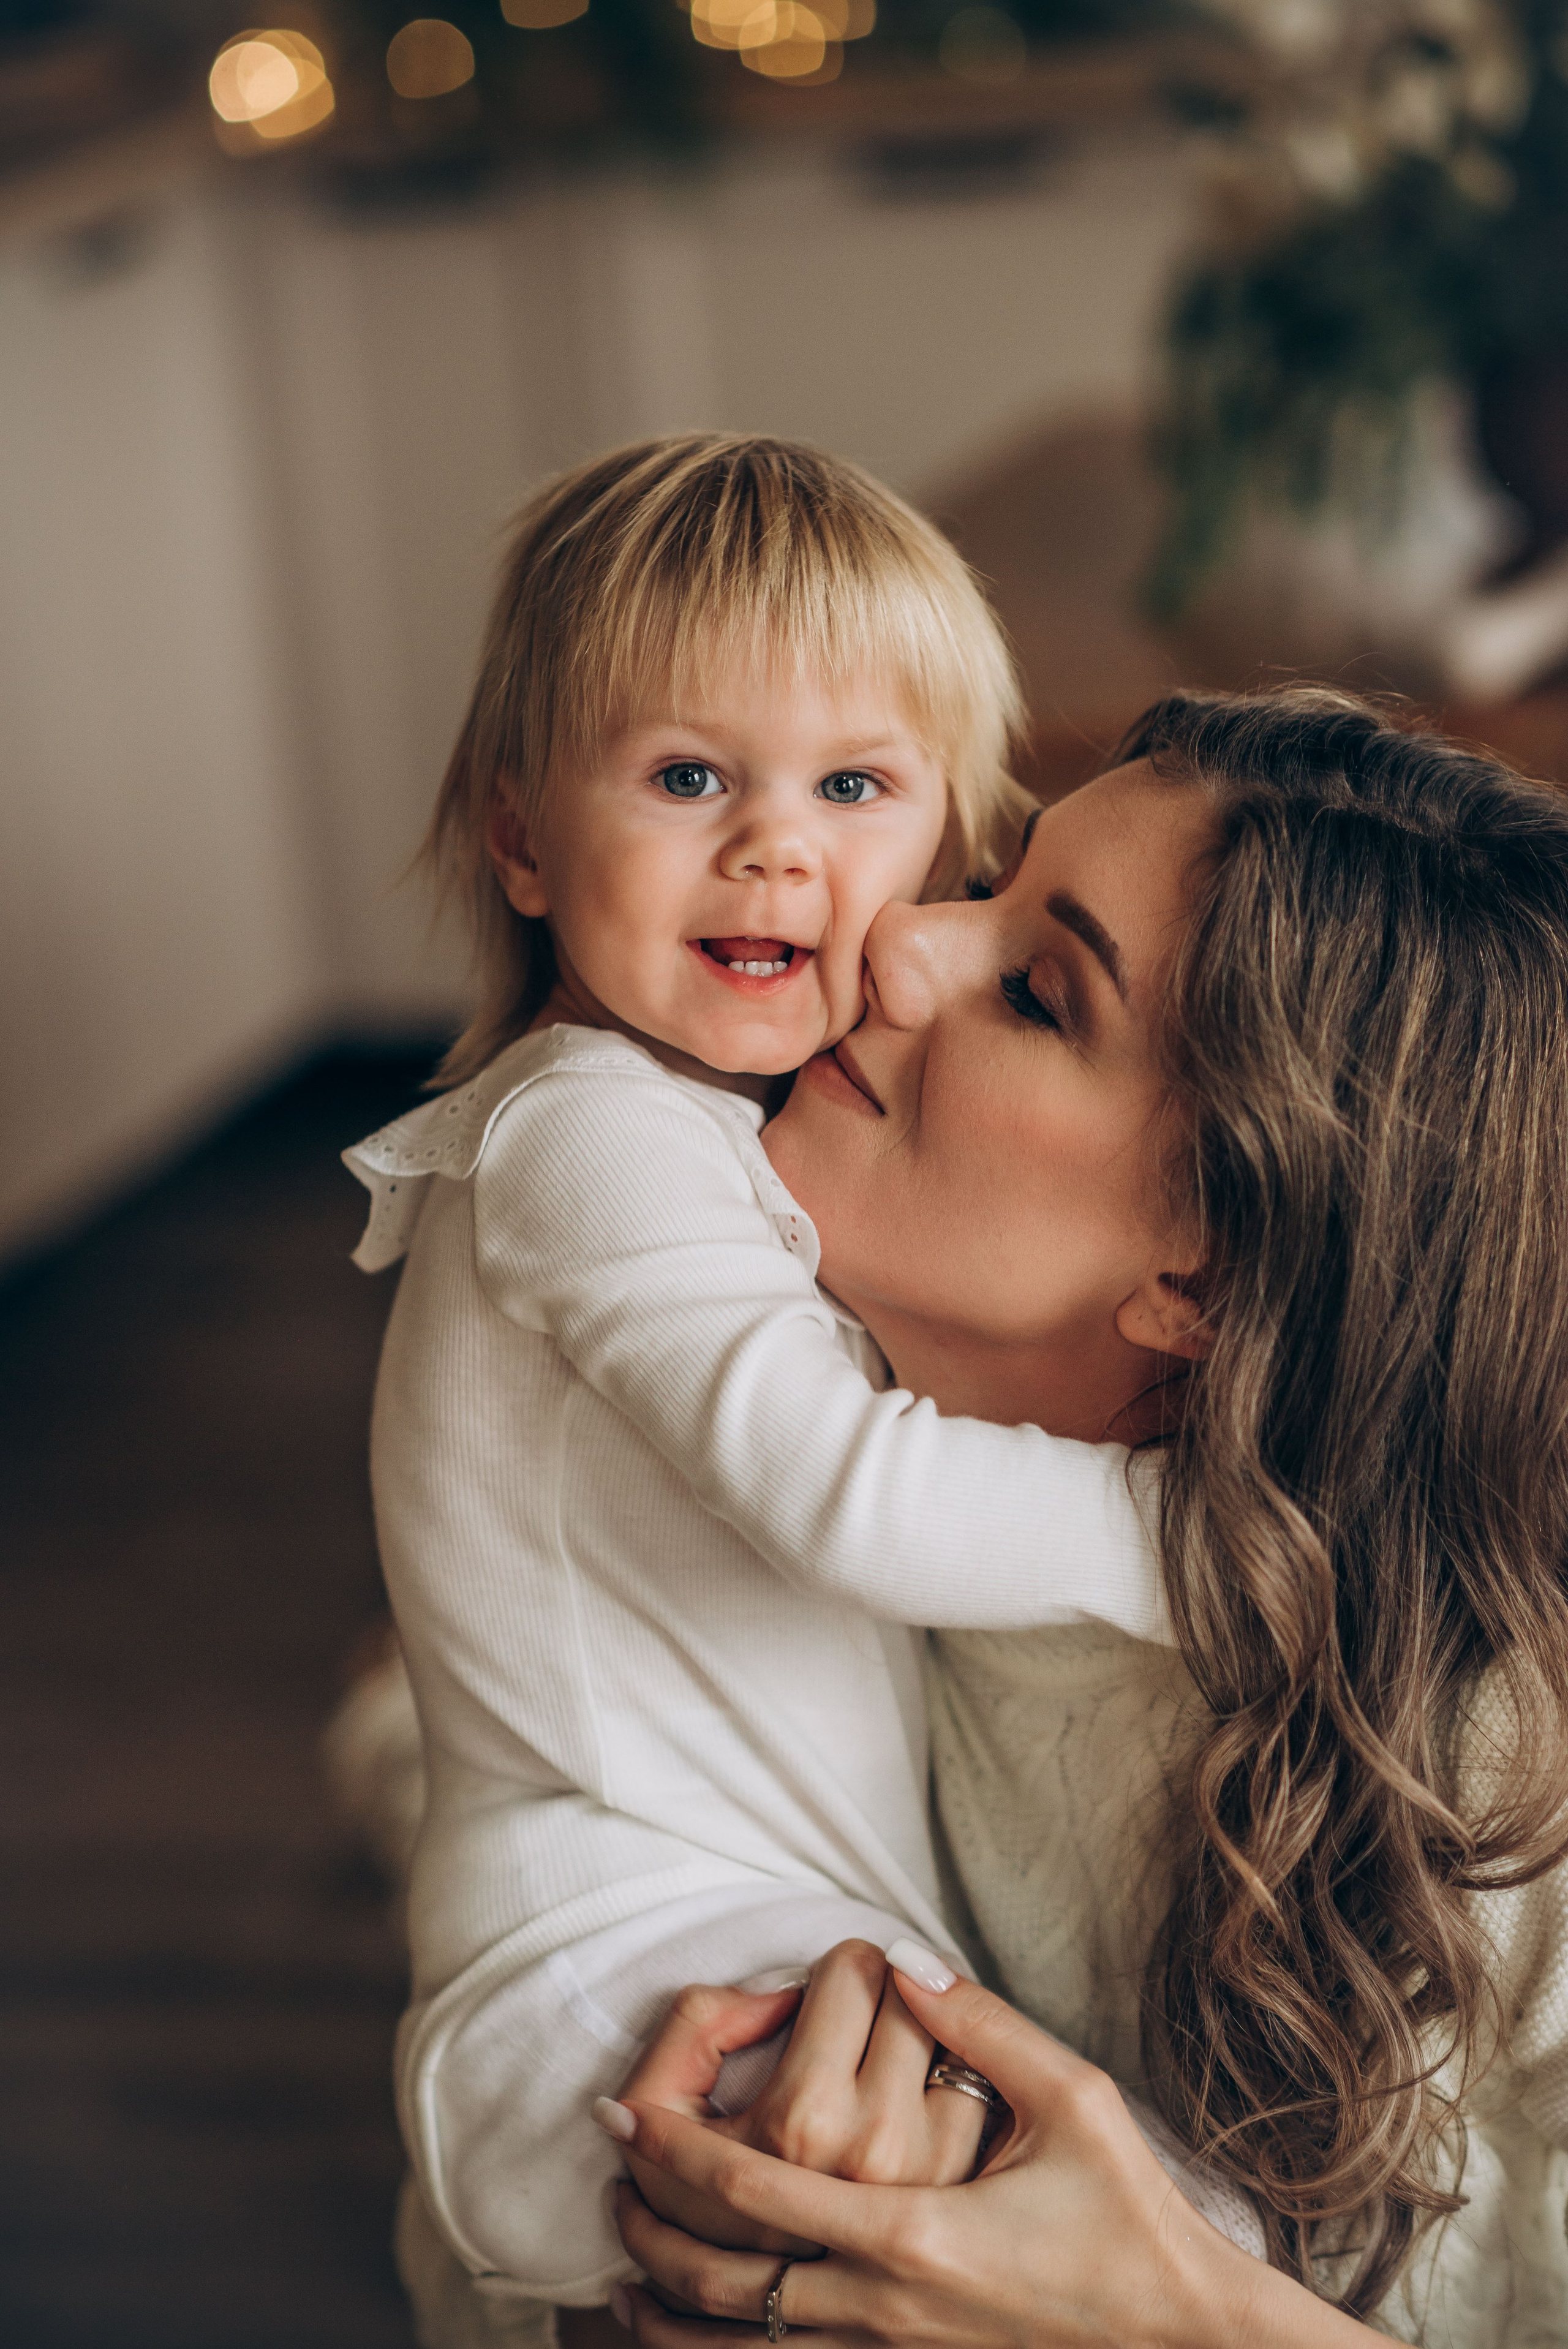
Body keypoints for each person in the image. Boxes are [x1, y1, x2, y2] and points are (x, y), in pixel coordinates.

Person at [342, 435, 1222, 2344]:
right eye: (686, 778)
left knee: (1135, 2210)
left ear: (943, 847)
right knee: (1142, 2220)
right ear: (519, 839)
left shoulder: (720, 1145)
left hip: (753, 1944)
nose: (776, 847)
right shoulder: (590, 1138)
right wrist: (1194, 1538)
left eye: (852, 785)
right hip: (624, 1970)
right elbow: (842, 1486)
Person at [596, 688, 1568, 2344]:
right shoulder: (749, 1376)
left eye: (1038, 993)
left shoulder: (1506, 1773)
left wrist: (1172, 2313)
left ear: (1210, 1269)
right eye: (987, 881)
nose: (898, 939)